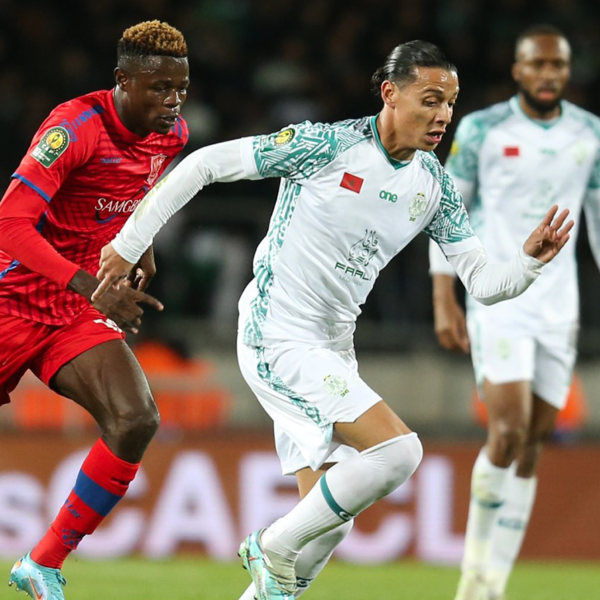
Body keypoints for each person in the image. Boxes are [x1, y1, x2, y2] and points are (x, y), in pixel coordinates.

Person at [94, 40, 572, 600]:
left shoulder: (434, 186)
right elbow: (204, 164)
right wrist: (129, 243)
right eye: (430, 99)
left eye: (450, 102)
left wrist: (528, 262)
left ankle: (276, 558)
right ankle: (270, 543)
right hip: (276, 332)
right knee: (399, 452)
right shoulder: (325, 145)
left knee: (327, 526)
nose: (443, 114)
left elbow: (485, 284)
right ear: (390, 93)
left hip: (332, 349)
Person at [2, 21, 189, 600]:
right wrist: (91, 285)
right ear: (123, 81)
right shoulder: (75, 127)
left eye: (181, 89)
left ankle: (42, 563)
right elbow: (9, 224)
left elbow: (141, 190)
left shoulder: (171, 135)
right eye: (160, 88)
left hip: (71, 311)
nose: (174, 101)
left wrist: (141, 242)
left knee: (136, 419)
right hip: (12, 298)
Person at [428, 24, 600, 600]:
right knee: (506, 431)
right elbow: (448, 210)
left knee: (535, 440)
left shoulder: (590, 133)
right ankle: (473, 573)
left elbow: (597, 218)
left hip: (559, 306)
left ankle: (493, 583)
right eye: (538, 65)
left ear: (567, 72)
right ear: (518, 70)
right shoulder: (482, 130)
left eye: (558, 66)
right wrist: (444, 295)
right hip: (499, 297)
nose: (548, 75)